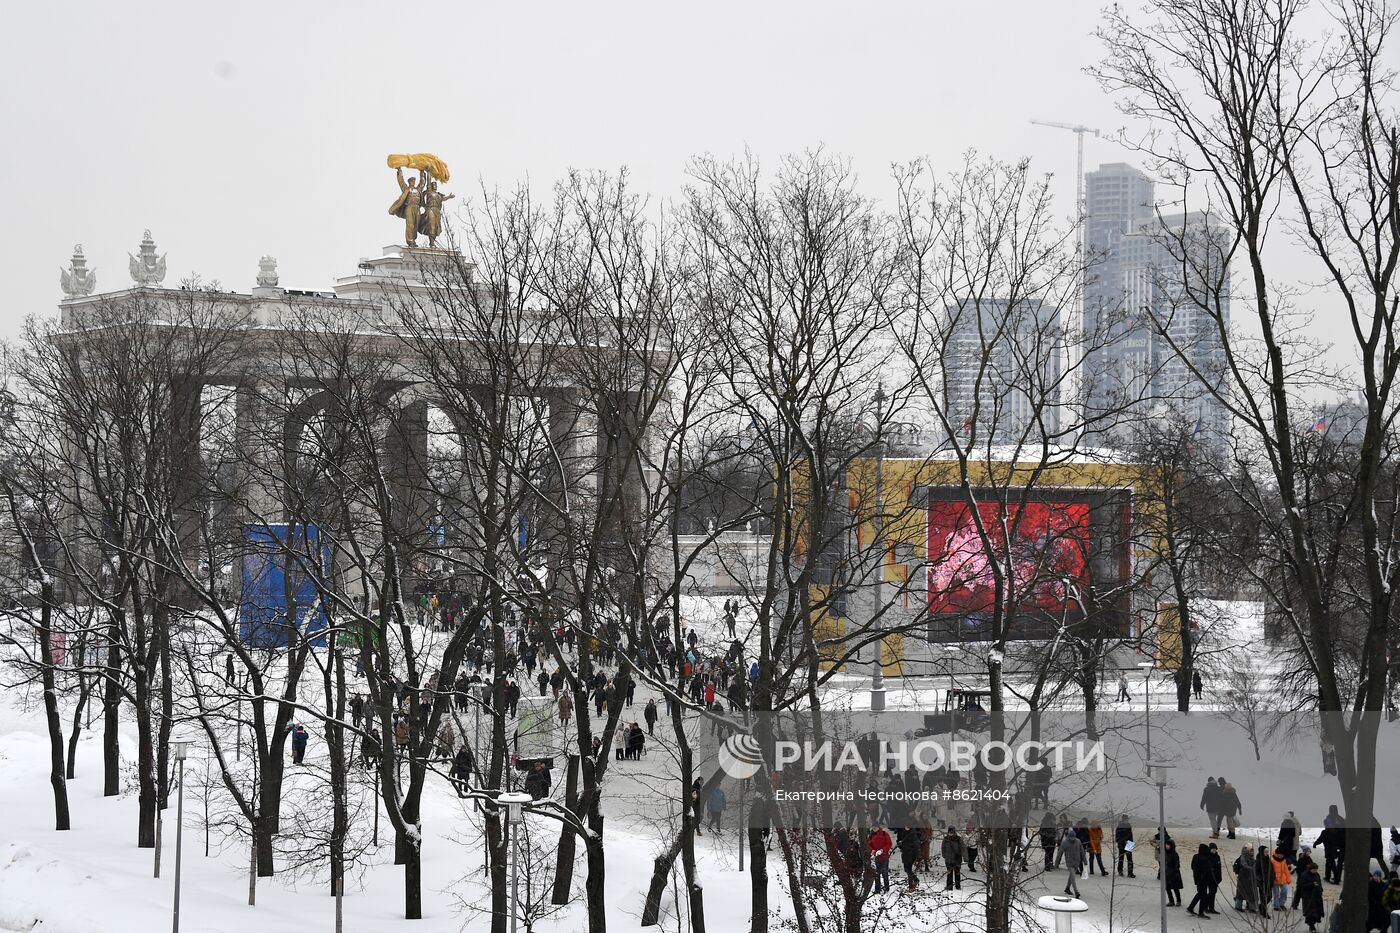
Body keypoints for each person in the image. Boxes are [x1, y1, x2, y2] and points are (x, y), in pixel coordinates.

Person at [1317, 806, 1346, 884]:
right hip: (1342, 843)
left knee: (1330, 860)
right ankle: (1334, 877)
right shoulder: (1341, 819)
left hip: (1332, 844)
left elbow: (1330, 830)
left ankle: (1333, 878)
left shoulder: (1329, 819)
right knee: (1338, 862)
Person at [1187, 844, 1214, 917]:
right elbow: (1206, 870)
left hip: (1197, 879)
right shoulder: (1204, 858)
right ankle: (1200, 912)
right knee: (1203, 895)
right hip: (1203, 880)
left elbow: (1192, 867)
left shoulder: (1195, 856)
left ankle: (1190, 907)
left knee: (1199, 894)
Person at [1298, 862, 1325, 932]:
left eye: (1316, 870)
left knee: (1317, 912)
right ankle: (1311, 926)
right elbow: (1303, 886)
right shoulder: (1304, 875)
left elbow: (1319, 883)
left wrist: (1320, 889)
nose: (1315, 871)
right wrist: (1312, 884)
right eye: (1314, 870)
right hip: (1308, 897)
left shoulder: (1317, 875)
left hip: (1317, 896)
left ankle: (1313, 924)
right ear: (1310, 869)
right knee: (1310, 913)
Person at [1234, 843, 1259, 912]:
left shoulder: (1252, 858)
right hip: (1243, 878)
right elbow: (1244, 865)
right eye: (1251, 850)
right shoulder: (1243, 858)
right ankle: (1238, 906)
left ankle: (1252, 908)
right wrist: (1252, 869)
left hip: (1250, 879)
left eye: (1252, 851)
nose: (1252, 852)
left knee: (1252, 894)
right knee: (1241, 893)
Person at [1059, 828, 1084, 898]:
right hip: (1069, 862)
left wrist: (1085, 861)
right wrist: (1056, 863)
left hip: (1077, 861)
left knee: (1071, 876)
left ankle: (1067, 888)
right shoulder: (1065, 843)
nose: (1072, 839)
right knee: (1073, 876)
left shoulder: (1078, 842)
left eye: (1074, 837)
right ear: (1068, 837)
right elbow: (1060, 853)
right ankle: (1076, 891)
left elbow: (1082, 851)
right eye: (1071, 837)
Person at [869, 824, 893, 894]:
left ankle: (887, 888)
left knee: (884, 873)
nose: (874, 828)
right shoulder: (871, 835)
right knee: (876, 874)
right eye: (873, 827)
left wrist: (882, 850)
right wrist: (872, 850)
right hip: (876, 857)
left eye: (875, 827)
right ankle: (877, 889)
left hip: (884, 856)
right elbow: (869, 844)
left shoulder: (884, 834)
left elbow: (889, 844)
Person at [1271, 846, 1293, 911]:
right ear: (1277, 854)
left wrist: (1288, 879)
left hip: (1283, 880)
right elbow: (1270, 871)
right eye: (1280, 854)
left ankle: (1281, 904)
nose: (1281, 856)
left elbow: (1286, 870)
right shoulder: (1272, 860)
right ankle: (1276, 906)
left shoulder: (1284, 860)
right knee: (1276, 894)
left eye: (1282, 855)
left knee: (1284, 892)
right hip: (1275, 880)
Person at [1164, 839, 1183, 906]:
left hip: (1173, 873)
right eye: (1166, 845)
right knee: (1167, 888)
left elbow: (1177, 864)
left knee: (1175, 887)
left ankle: (1178, 900)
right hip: (1166, 873)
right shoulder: (1165, 853)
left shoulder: (1174, 854)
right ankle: (1171, 901)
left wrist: (1176, 872)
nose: (1167, 846)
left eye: (1168, 845)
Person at [1205, 842, 1223, 913]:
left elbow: (1219, 868)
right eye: (1213, 849)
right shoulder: (1207, 856)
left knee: (1213, 893)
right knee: (1211, 893)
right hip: (1209, 878)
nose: (1214, 850)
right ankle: (1205, 906)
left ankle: (1211, 907)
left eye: (1215, 849)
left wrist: (1219, 878)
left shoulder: (1217, 857)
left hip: (1216, 878)